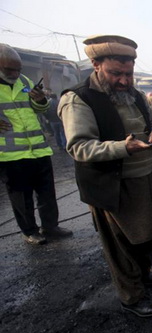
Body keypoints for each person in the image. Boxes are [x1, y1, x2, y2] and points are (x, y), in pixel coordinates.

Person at [59, 35, 152, 318]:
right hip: (111, 186)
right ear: (95, 65)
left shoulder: (137, 95)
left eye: (128, 74)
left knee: (147, 234)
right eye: (116, 73)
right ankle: (131, 297)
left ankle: (143, 276)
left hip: (145, 178)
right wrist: (123, 148)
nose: (123, 81)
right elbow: (79, 147)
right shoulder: (78, 99)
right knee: (121, 245)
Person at [0, 43, 72, 245]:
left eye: (18, 69)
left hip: (39, 149)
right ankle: (30, 231)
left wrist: (40, 100)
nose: (15, 74)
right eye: (9, 70)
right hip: (11, 154)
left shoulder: (25, 81)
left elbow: (41, 110)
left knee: (47, 193)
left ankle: (50, 226)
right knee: (21, 198)